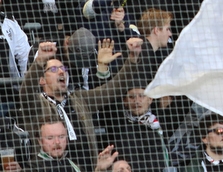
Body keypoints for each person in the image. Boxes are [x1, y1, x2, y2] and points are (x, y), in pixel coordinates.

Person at [19, 40, 140, 168]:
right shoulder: (36, 104)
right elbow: (26, 92)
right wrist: (39, 62)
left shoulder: (79, 98)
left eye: (63, 68)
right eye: (53, 69)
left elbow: (113, 89)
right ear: (42, 80)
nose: (61, 72)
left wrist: (131, 60)